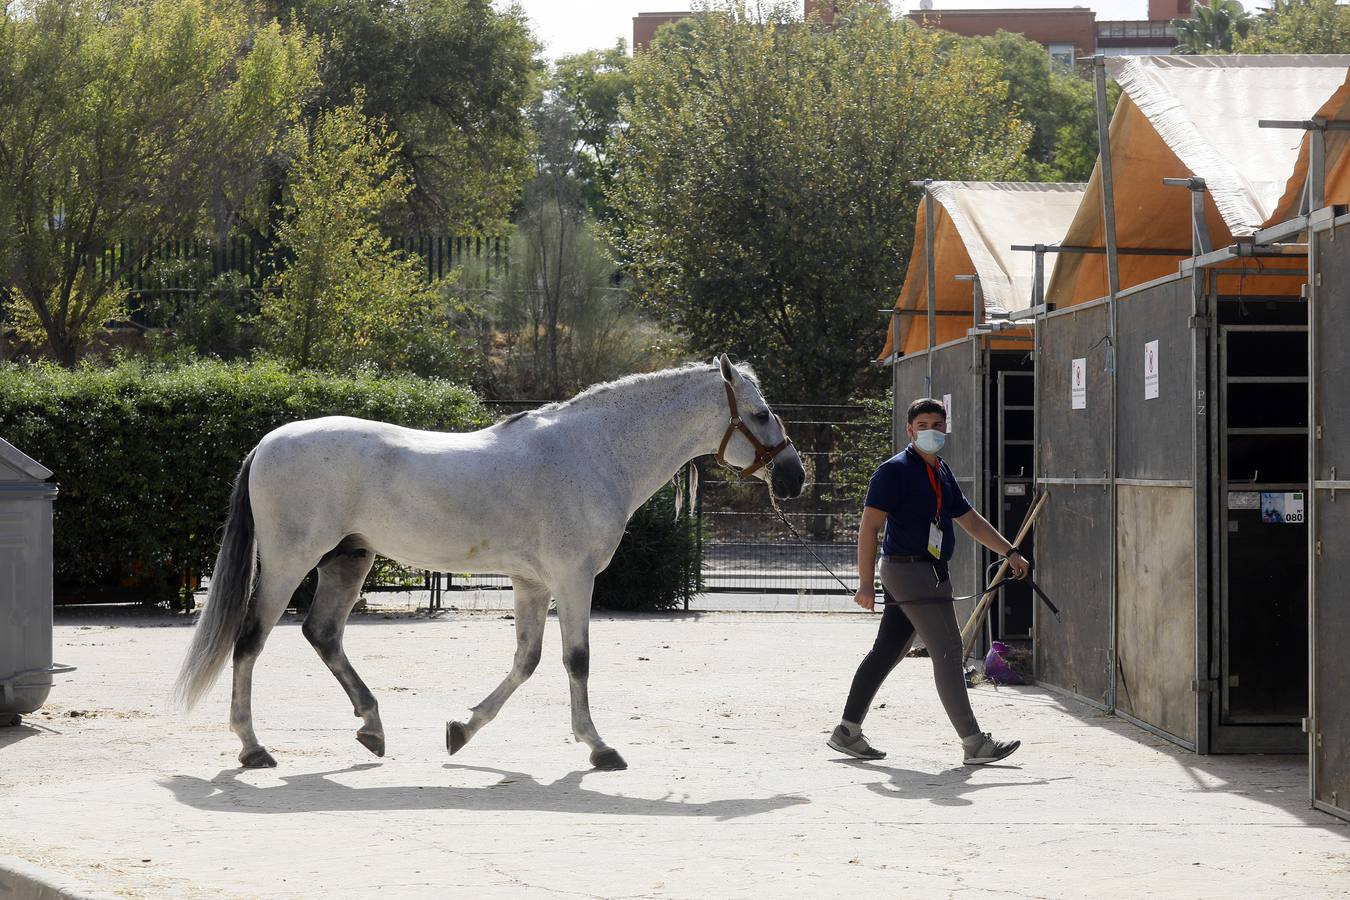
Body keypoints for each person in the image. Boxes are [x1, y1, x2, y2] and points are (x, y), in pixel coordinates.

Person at [828, 397, 1031, 766]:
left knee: (888, 650)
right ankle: (974, 742)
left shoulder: (941, 470)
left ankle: (846, 731)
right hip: (909, 571)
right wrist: (864, 583)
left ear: (946, 428)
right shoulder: (893, 471)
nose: (931, 431)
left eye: (938, 424)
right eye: (923, 425)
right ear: (910, 430)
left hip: (929, 571)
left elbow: (970, 521)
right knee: (950, 652)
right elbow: (869, 528)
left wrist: (1009, 550)